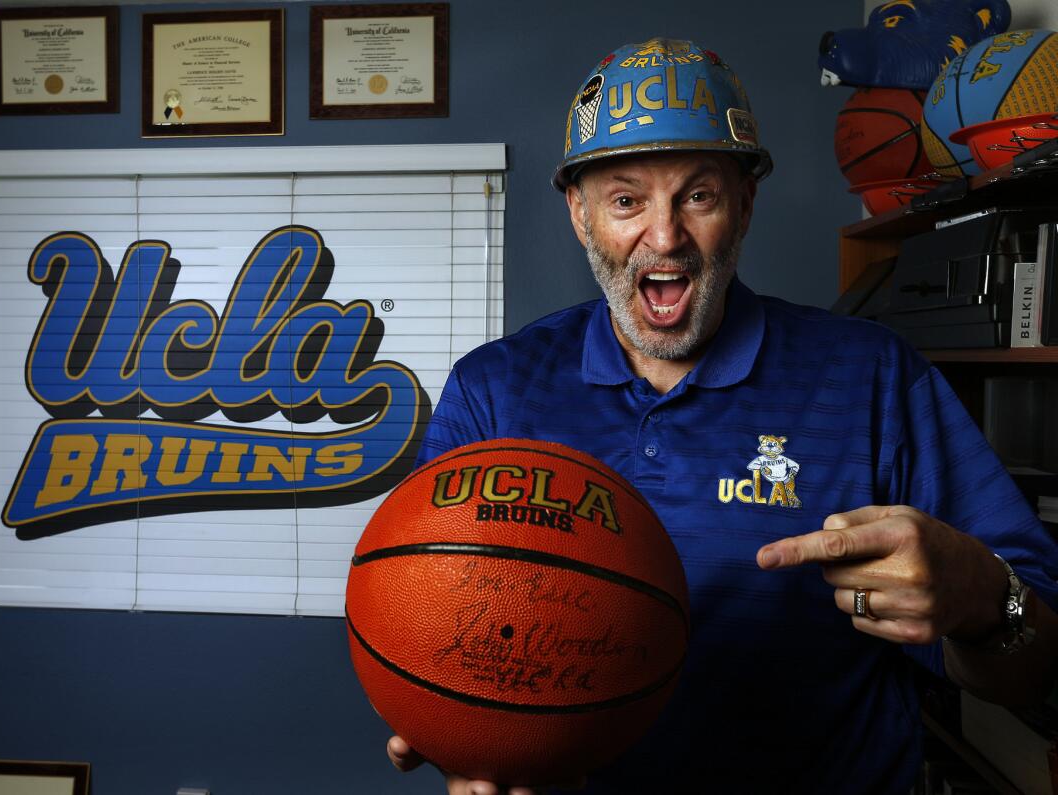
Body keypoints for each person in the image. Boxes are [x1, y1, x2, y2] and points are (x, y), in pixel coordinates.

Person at [384, 38, 1058, 794]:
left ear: (744, 204)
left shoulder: (874, 375)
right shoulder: (492, 391)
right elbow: (433, 614)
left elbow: (1037, 663)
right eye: (626, 199)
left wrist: (980, 597)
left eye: (698, 195)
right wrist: (460, 721)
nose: (665, 235)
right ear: (580, 214)